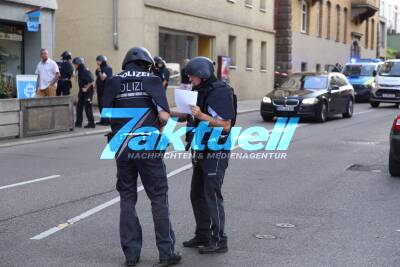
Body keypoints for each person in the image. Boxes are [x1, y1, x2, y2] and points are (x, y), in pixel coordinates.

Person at [103, 47, 181, 267]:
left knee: (127, 198)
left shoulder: (113, 81)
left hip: (122, 146)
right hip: (148, 146)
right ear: (147, 64)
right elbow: (164, 117)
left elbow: (106, 114)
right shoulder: (152, 80)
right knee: (158, 197)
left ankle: (131, 255)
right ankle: (166, 253)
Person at [173, 57, 236, 255]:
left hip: (216, 150)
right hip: (200, 148)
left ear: (202, 74)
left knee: (211, 194)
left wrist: (201, 116)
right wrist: (164, 111)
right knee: (197, 194)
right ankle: (203, 235)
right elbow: (189, 115)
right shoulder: (199, 91)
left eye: (192, 75)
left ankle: (219, 240)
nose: (190, 79)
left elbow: (226, 124)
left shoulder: (221, 92)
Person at [72, 57, 95, 128]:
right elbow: (76, 79)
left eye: (75, 64)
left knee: (88, 108)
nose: (74, 66)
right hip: (82, 91)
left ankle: (91, 123)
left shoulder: (85, 71)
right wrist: (75, 72)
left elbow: (91, 80)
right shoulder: (80, 71)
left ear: (78, 64)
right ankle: (78, 123)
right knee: (79, 107)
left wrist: (86, 88)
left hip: (87, 92)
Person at [94, 55, 113, 125]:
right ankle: (102, 120)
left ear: (102, 61)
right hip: (100, 89)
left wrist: (99, 72)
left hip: (105, 89)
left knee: (105, 105)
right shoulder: (99, 69)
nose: (97, 62)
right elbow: (98, 79)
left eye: (98, 61)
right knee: (100, 105)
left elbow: (102, 78)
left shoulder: (107, 69)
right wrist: (95, 86)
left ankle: (106, 121)